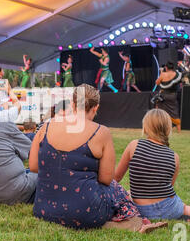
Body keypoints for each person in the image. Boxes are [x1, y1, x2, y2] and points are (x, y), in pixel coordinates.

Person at [29, 84, 167, 232]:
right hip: (85, 212)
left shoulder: (46, 127)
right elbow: (106, 179)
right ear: (96, 108)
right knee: (116, 188)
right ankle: (136, 221)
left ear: (73, 103)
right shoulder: (101, 132)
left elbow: (33, 167)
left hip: (43, 209)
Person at [115, 109, 190, 230]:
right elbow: (169, 186)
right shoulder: (174, 157)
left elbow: (117, 178)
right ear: (168, 129)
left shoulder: (134, 145)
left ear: (145, 128)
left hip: (140, 210)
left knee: (129, 193)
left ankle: (145, 219)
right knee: (185, 207)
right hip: (170, 209)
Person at [155, 61, 183, 132]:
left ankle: (159, 128)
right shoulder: (176, 74)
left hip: (163, 96)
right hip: (173, 95)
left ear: (166, 68)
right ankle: (179, 130)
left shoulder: (163, 74)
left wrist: (161, 73)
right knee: (174, 112)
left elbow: (157, 83)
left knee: (160, 112)